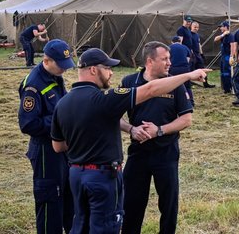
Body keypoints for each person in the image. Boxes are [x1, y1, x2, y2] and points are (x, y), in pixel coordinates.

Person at [50, 48, 208, 234]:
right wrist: (189, 74)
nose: (111, 73)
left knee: (82, 223)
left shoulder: (63, 103)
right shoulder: (105, 99)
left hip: (76, 175)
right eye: (108, 68)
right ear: (93, 70)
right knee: (105, 225)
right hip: (103, 176)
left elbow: (58, 146)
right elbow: (150, 90)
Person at [120, 41, 194, 234]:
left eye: (169, 59)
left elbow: (186, 119)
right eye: (165, 59)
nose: (170, 63)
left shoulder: (175, 84)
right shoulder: (129, 83)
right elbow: (114, 116)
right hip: (138, 153)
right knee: (131, 203)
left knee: (168, 204)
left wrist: (159, 130)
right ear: (149, 61)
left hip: (166, 153)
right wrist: (131, 129)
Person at [18, 39, 75, 234]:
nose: (64, 70)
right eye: (61, 65)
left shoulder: (54, 77)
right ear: (47, 60)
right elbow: (28, 124)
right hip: (45, 151)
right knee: (50, 201)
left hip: (61, 147)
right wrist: (59, 120)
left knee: (68, 197)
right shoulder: (33, 86)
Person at [169, 36, 194, 106]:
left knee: (173, 86)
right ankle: (191, 102)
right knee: (187, 87)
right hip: (185, 68)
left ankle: (174, 102)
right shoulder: (185, 47)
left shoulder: (169, 47)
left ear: (172, 42)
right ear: (180, 41)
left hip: (174, 69)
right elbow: (188, 59)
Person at [191, 21, 216, 88]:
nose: (196, 28)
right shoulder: (189, 34)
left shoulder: (197, 35)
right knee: (190, 69)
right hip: (191, 55)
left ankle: (206, 83)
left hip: (198, 55)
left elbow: (199, 45)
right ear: (191, 27)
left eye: (197, 27)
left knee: (202, 68)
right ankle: (189, 83)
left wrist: (201, 54)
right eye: (194, 27)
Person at [214, 21, 234, 94]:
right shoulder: (223, 35)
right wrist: (223, 35)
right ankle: (225, 88)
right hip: (223, 56)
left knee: (227, 72)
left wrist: (231, 56)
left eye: (221, 27)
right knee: (222, 72)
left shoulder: (230, 36)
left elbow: (233, 46)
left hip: (227, 56)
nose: (220, 28)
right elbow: (215, 39)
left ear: (226, 27)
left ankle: (229, 88)